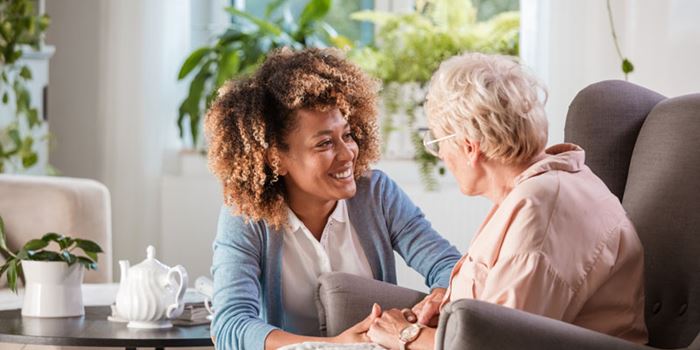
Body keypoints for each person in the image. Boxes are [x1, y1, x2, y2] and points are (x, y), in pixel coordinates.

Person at [366, 52, 648, 349]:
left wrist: (406, 336)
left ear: (469, 147)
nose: (442, 156)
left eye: (437, 143)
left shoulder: (540, 209)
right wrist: (447, 304)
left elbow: (500, 342)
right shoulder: (548, 186)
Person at [205, 47, 462, 350]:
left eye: (348, 135)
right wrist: (333, 346)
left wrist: (437, 299)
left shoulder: (377, 194)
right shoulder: (246, 215)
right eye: (325, 143)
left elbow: (449, 266)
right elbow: (230, 325)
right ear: (276, 159)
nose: (347, 153)